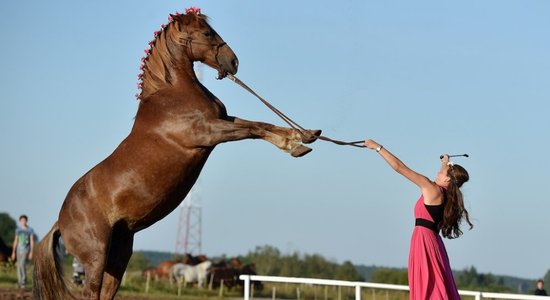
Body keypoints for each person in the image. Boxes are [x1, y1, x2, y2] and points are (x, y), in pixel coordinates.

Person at [364, 140, 472, 300]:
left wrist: (378, 147)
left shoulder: (431, 188)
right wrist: (445, 162)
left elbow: (399, 168)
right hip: (433, 242)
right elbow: (445, 174)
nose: (438, 172)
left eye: (442, 172)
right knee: (434, 284)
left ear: (448, 179)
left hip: (424, 241)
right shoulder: (448, 196)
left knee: (428, 288)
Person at [11, 214, 35, 289]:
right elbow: (16, 241)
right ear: (20, 221)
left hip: (26, 250)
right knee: (18, 265)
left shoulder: (30, 230)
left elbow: (31, 241)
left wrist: (31, 252)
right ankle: (20, 281)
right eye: (22, 220)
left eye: (24, 220)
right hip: (18, 250)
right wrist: (13, 252)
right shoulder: (18, 230)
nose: (23, 222)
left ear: (26, 221)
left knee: (22, 264)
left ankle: (23, 281)